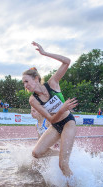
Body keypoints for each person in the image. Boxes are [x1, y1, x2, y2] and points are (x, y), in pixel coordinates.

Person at [22, 41, 77, 178]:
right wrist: (62, 108)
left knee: (63, 165)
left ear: (36, 78)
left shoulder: (52, 83)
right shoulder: (33, 100)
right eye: (23, 83)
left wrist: (44, 53)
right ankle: (63, 153)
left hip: (68, 123)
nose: (25, 85)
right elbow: (52, 119)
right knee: (36, 153)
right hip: (55, 125)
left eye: (27, 81)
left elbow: (67, 62)